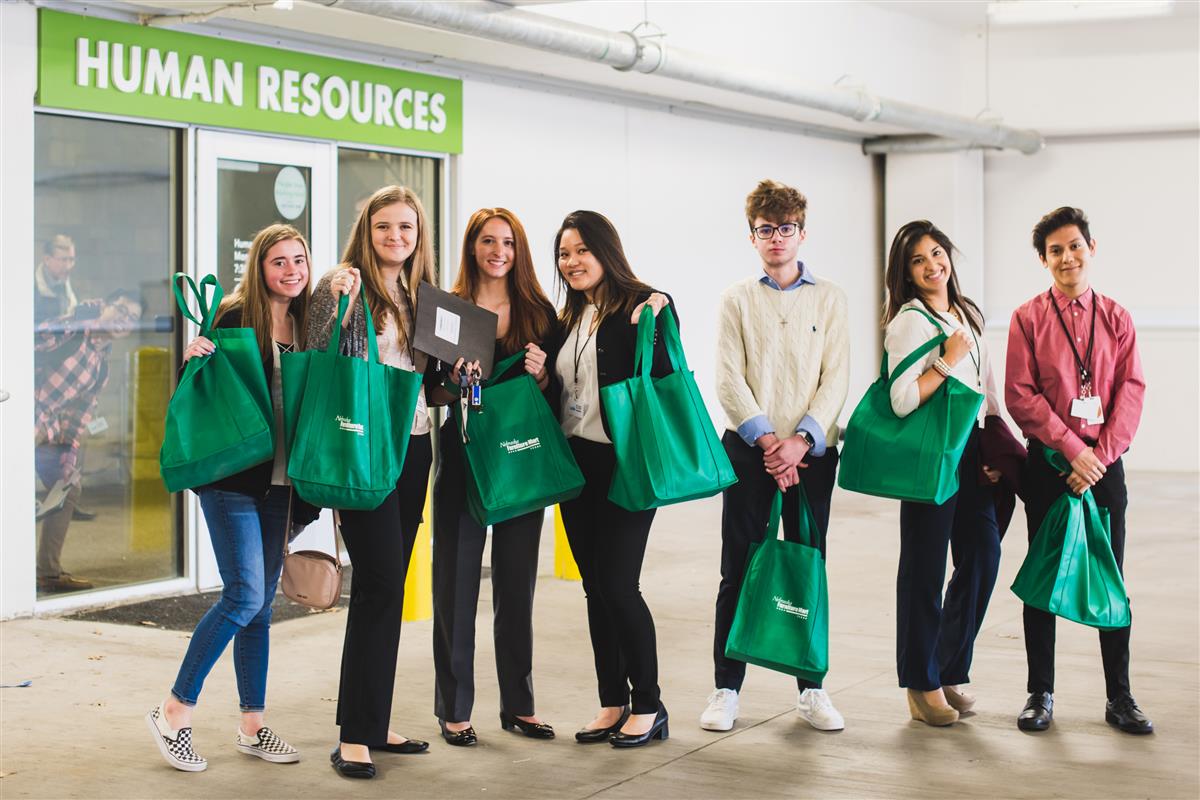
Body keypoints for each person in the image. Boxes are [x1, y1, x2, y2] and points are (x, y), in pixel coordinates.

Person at [145, 223, 311, 771]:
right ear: (259, 267)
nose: (290, 270)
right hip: (232, 481)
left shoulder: (311, 325)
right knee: (242, 598)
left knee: (261, 608)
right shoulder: (235, 317)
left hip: (280, 483)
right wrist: (194, 355)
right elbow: (201, 394)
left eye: (298, 259)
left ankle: (252, 725)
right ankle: (174, 711)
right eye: (278, 261)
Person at [704, 179, 850, 733]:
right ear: (753, 236)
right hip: (750, 452)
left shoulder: (830, 298)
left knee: (807, 565)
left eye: (786, 229)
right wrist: (769, 441)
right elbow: (727, 378)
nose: (776, 238)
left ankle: (811, 688)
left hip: (812, 454)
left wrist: (801, 441)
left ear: (801, 233)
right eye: (766, 230)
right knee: (737, 568)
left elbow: (835, 377)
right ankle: (726, 687)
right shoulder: (736, 299)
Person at [1006, 206, 1151, 735]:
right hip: (1048, 467)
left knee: (1110, 576)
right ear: (1044, 261)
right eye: (1055, 251)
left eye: (1074, 246)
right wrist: (1072, 450)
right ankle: (1039, 694)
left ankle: (1120, 697)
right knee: (1043, 577)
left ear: (1092, 248)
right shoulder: (1027, 319)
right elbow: (1020, 394)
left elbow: (1131, 392)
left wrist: (1099, 457)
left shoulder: (1117, 318)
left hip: (1104, 469)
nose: (1067, 257)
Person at [307, 185, 436, 779]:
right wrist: (333, 306)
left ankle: (374, 719)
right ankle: (353, 734)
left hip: (413, 446)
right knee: (380, 582)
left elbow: (428, 376)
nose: (395, 238)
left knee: (389, 587)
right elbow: (319, 358)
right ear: (367, 229)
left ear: (417, 236)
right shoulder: (343, 285)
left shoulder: (420, 296)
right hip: (361, 446)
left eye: (406, 229)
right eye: (384, 227)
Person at [425, 208, 559, 746]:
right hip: (462, 459)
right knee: (454, 589)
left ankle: (519, 705)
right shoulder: (448, 308)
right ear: (472, 246)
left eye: (507, 242)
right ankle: (454, 709)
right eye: (487, 240)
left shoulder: (538, 312)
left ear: (518, 250)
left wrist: (542, 373)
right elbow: (430, 391)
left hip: (520, 461)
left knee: (516, 587)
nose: (497, 250)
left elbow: (556, 392)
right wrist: (454, 382)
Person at [542, 210, 673, 748]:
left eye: (581, 251)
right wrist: (541, 374)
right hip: (578, 465)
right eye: (564, 254)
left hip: (626, 463)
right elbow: (563, 397)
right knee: (596, 587)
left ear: (606, 252)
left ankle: (649, 703)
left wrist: (657, 323)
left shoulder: (644, 306)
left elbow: (662, 379)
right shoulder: (566, 319)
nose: (572, 262)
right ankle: (611, 700)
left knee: (620, 584)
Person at [881, 220, 1004, 727]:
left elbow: (988, 380)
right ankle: (920, 682)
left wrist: (995, 437)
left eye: (937, 253)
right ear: (906, 275)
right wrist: (948, 360)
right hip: (932, 450)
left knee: (982, 554)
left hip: (971, 446)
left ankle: (950, 666)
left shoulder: (966, 311)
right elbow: (902, 398)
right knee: (925, 571)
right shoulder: (908, 321)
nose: (933, 266)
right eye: (918, 260)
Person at [34, 288, 143, 593]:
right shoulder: (73, 332)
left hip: (47, 431)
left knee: (69, 487)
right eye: (120, 310)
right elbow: (31, 339)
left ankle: (48, 573)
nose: (124, 321)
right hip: (20, 414)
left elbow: (78, 416)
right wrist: (74, 319)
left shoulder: (101, 366)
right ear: (104, 305)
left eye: (132, 319)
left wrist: (68, 459)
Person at [34, 234, 78, 324]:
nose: (68, 266)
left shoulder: (68, 283)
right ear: (47, 260)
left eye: (71, 260)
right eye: (63, 260)